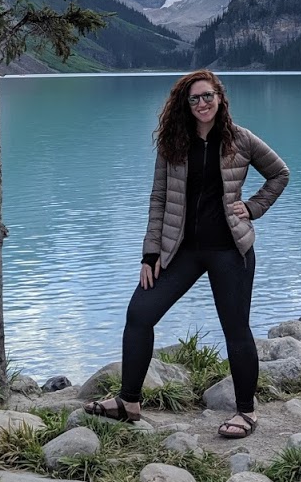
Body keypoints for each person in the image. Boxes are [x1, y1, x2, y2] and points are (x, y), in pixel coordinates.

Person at [83, 69, 289, 439]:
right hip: (182, 250)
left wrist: (253, 208)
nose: (202, 103)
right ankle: (129, 402)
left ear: (220, 98)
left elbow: (280, 174)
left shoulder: (241, 140)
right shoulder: (173, 143)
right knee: (140, 313)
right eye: (194, 98)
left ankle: (246, 412)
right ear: (186, 104)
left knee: (236, 329)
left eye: (207, 96)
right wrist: (150, 254)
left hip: (230, 250)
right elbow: (159, 200)